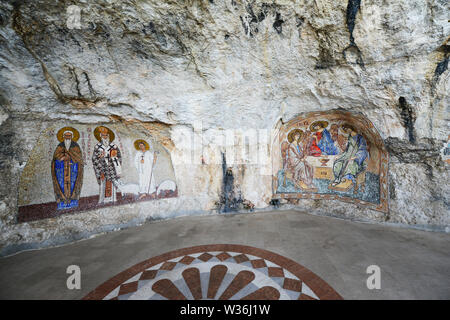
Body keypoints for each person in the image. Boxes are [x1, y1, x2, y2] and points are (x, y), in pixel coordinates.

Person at [51, 127, 84, 209]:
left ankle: (73, 202)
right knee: (61, 186)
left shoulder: (75, 146)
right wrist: (61, 158)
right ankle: (62, 202)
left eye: (69, 136)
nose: (67, 137)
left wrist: (72, 158)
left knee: (73, 185)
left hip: (73, 170)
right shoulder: (60, 146)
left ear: (72, 137)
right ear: (63, 136)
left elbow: (79, 157)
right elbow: (55, 157)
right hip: (61, 170)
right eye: (66, 136)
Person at [330, 124, 369, 188]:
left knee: (349, 165)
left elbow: (363, 150)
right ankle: (338, 179)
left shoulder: (360, 138)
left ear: (351, 129)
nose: (346, 131)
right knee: (337, 163)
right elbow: (347, 150)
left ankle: (347, 181)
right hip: (347, 156)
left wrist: (356, 157)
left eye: (347, 129)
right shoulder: (349, 137)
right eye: (345, 130)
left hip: (356, 158)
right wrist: (340, 156)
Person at [92, 126, 122, 204]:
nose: (105, 137)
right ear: (100, 136)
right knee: (103, 184)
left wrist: (115, 161)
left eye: (106, 135)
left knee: (112, 184)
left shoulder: (113, 146)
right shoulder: (97, 147)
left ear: (108, 136)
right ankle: (102, 200)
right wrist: (99, 157)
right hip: (102, 168)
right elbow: (94, 159)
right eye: (103, 135)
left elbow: (119, 157)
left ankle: (113, 199)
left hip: (112, 168)